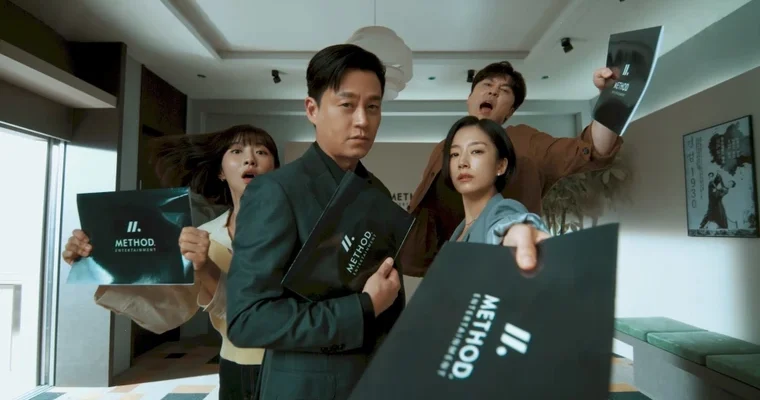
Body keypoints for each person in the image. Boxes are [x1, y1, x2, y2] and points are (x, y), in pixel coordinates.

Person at [61, 124, 280, 400]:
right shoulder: (205, 236)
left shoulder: (295, 229)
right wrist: (95, 262)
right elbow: (171, 309)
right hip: (233, 367)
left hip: (290, 365)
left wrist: (207, 269)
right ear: (221, 171)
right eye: (236, 151)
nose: (250, 159)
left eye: (261, 152)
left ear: (276, 169)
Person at [402, 61, 624, 276]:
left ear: (510, 111)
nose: (493, 92)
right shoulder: (442, 149)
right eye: (487, 85)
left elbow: (591, 150)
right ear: (469, 98)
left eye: (504, 90)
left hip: (504, 268)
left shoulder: (526, 143)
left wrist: (611, 99)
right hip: (452, 268)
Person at [444, 116, 551, 261]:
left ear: (500, 166)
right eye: (454, 154)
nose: (462, 162)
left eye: (476, 151)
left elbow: (508, 225)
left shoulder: (503, 209)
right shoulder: (460, 230)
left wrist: (514, 233)